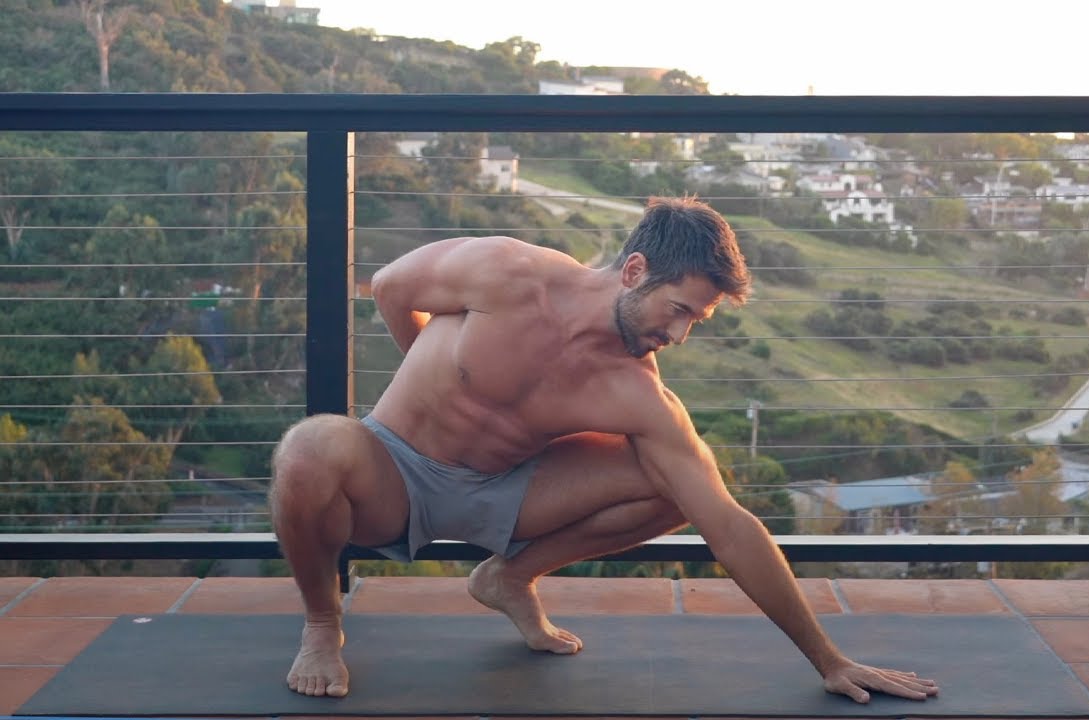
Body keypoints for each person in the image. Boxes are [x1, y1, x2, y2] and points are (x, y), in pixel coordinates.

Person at [269, 196, 939, 704]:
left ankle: (508, 578)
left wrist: (829, 660)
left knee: (675, 487)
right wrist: (429, 368)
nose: (679, 335)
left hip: (505, 490)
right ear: (635, 271)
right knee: (308, 447)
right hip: (398, 474)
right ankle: (323, 622)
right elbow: (391, 285)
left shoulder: (636, 392)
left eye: (696, 321)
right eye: (677, 310)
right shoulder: (506, 273)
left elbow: (731, 526)